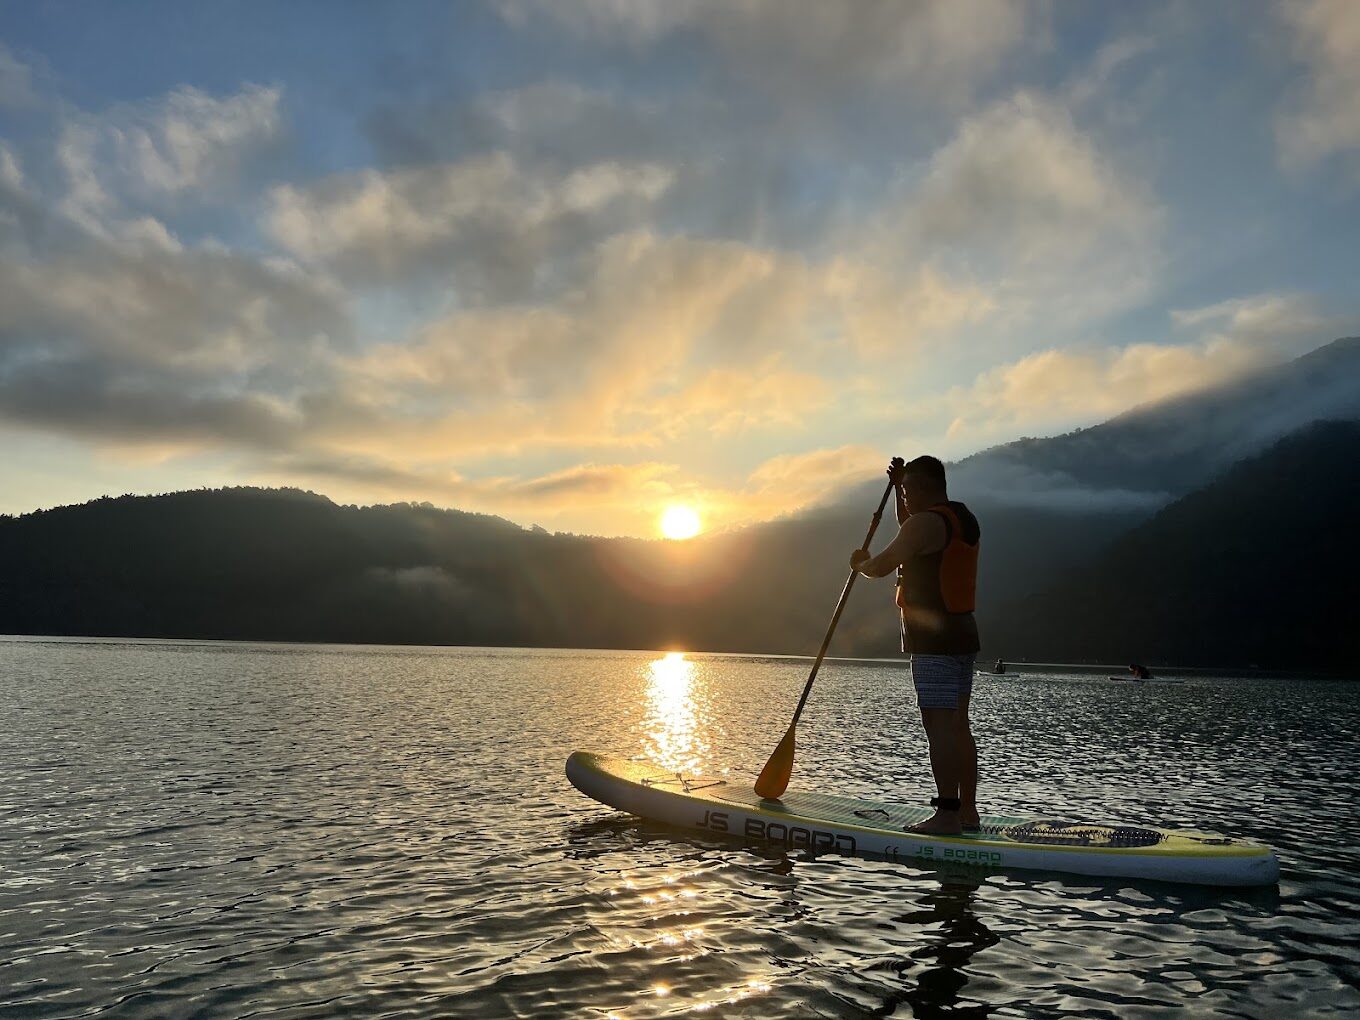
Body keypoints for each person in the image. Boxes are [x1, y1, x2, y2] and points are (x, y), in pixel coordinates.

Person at [851, 455, 982, 836]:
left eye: (908, 491)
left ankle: (945, 815)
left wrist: (861, 563)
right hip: (962, 634)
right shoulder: (961, 518)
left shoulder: (925, 523)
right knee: (959, 726)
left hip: (934, 641)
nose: (904, 498)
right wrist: (897, 486)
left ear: (925, 488)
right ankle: (967, 813)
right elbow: (910, 527)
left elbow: (884, 563)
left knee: (938, 726)